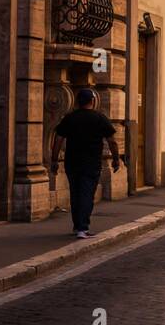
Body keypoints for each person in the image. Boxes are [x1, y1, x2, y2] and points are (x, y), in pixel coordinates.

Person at [50, 88, 120, 239]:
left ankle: (77, 226)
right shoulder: (100, 118)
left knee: (75, 194)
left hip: (72, 162)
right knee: (87, 194)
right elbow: (112, 141)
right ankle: (83, 228)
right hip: (91, 162)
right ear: (93, 101)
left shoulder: (69, 118)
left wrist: (54, 160)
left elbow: (58, 140)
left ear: (77, 102)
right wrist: (116, 159)